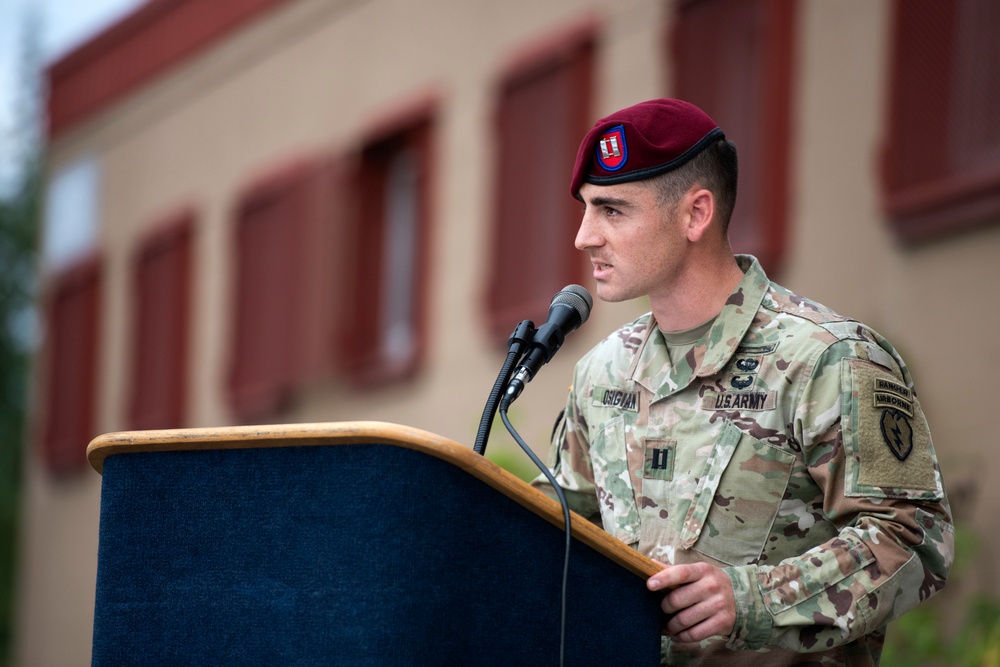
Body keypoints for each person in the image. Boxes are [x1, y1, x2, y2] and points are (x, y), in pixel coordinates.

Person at [532, 98, 954, 665]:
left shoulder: (828, 359)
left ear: (695, 214)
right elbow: (562, 532)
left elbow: (915, 539)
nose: (584, 237)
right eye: (585, 210)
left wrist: (753, 601)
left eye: (612, 211)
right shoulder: (602, 371)